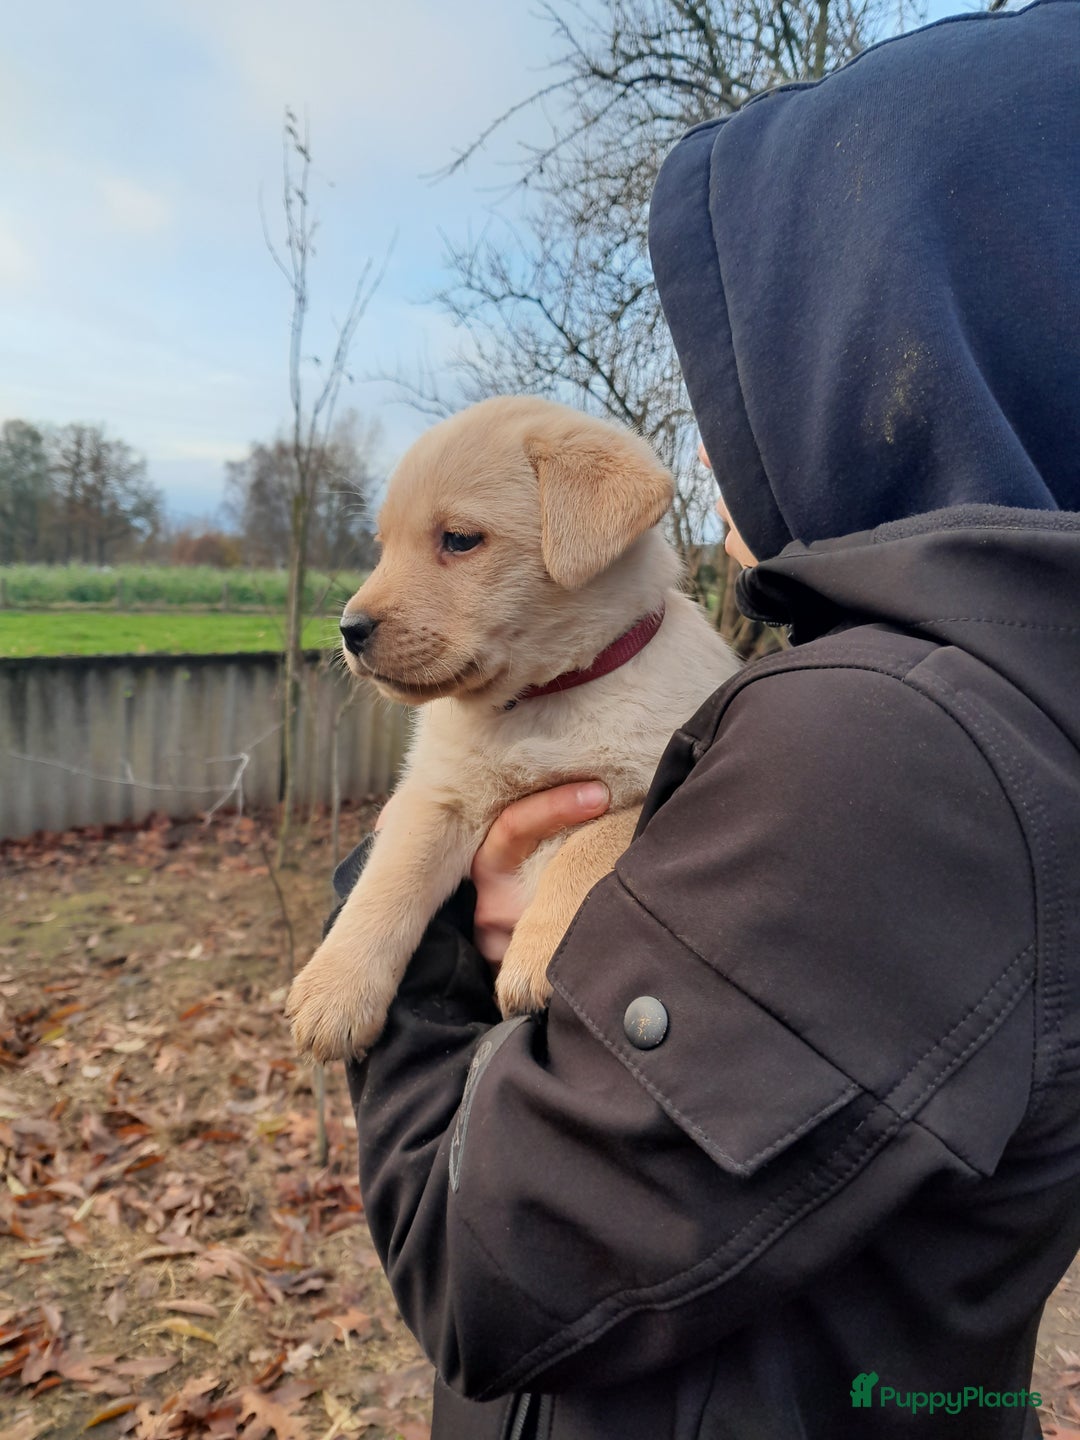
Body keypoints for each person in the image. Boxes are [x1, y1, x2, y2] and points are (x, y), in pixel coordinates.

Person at [337, 1, 1080, 1434]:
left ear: (876, 347)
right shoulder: (1008, 694)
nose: (704, 442)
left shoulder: (889, 749)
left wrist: (424, 950)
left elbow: (488, 1274)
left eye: (748, 360)